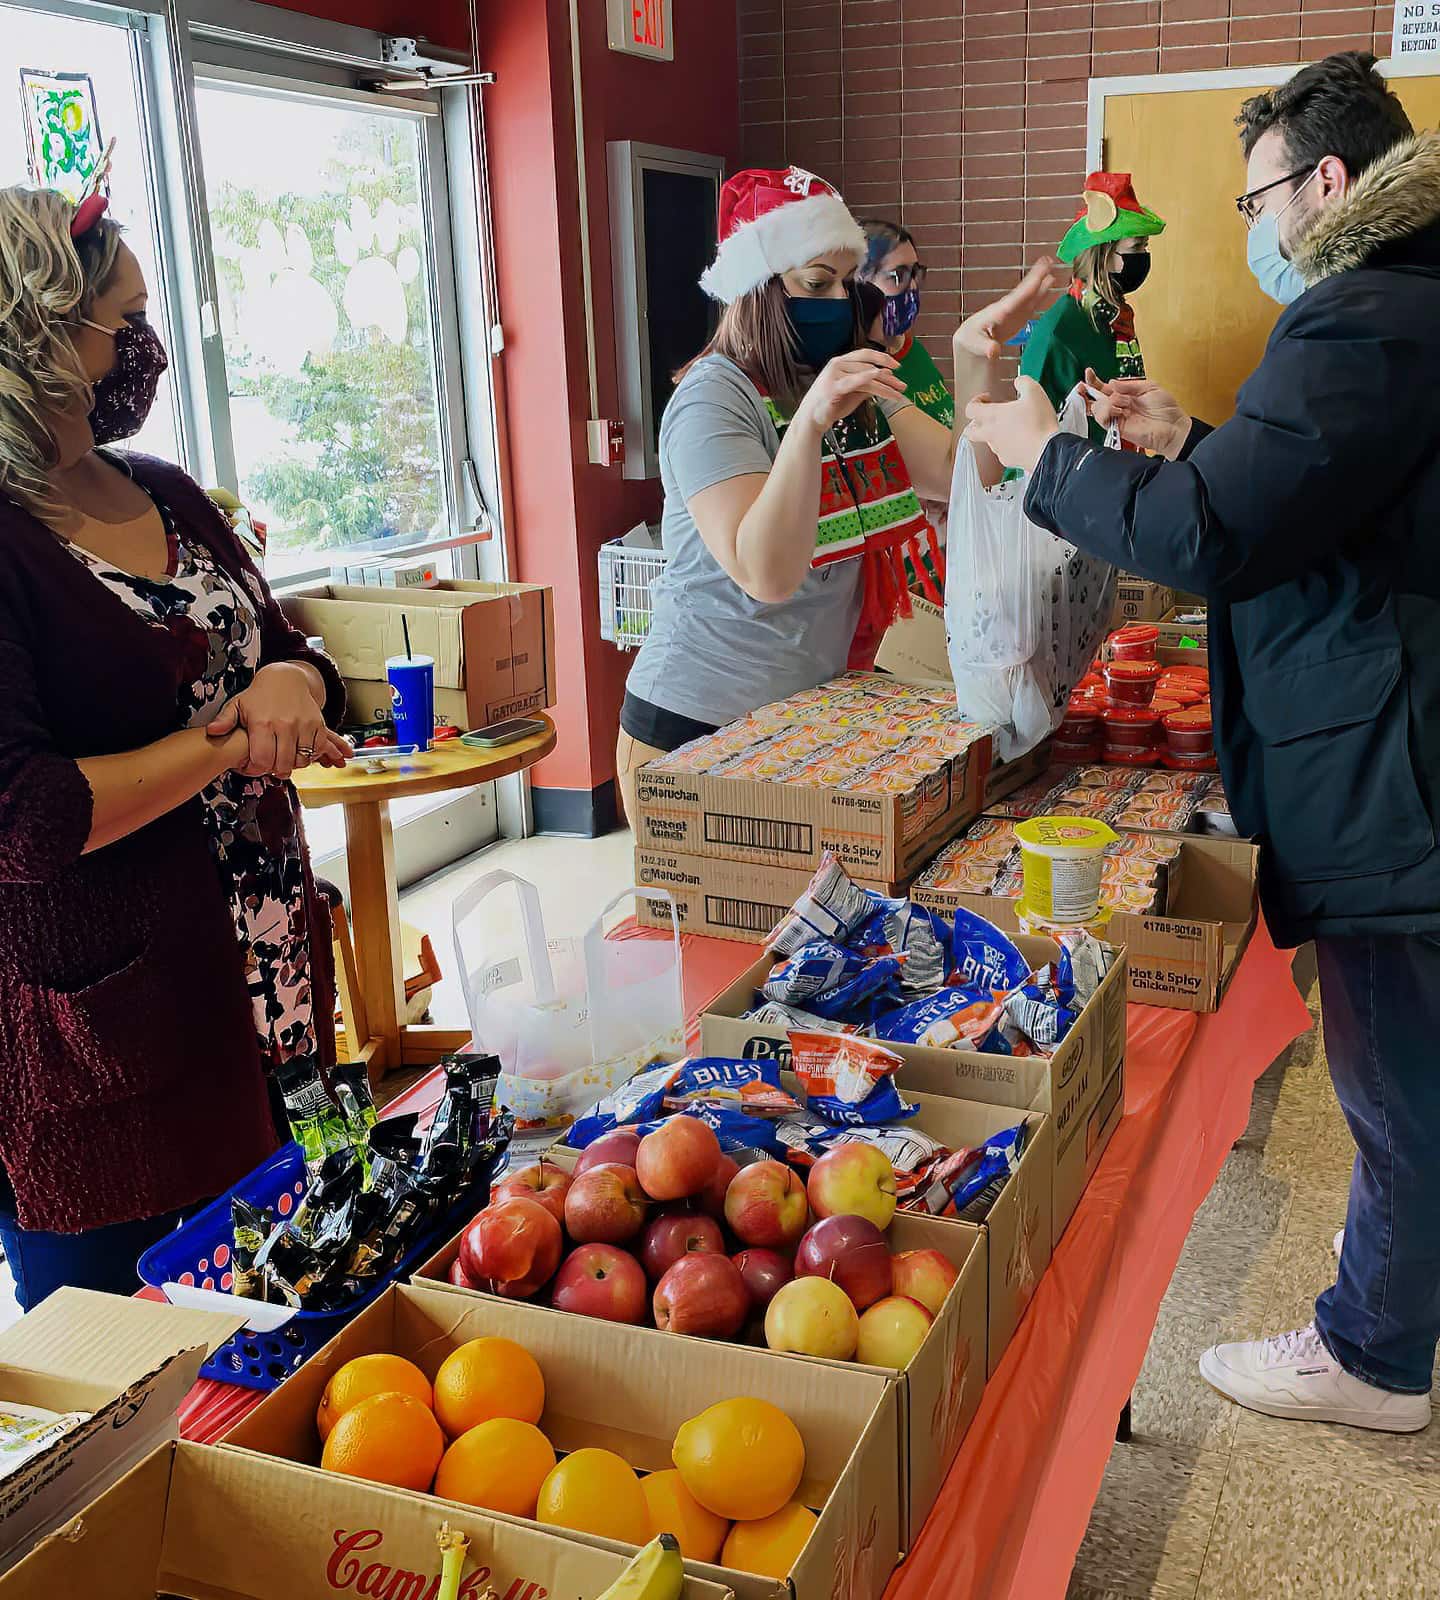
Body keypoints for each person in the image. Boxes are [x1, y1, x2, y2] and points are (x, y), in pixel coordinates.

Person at [964, 51, 1440, 1432]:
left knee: (1396, 1070)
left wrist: (1044, 452)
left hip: (1391, 773)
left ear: (1329, 184)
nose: (1254, 229)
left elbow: (1222, 536)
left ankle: (1375, 1358)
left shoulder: (1365, 316)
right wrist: (1199, 441)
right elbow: (1319, 494)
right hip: (1401, 735)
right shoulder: (1405, 309)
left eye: (1258, 200)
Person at [0, 186, 352, 1309]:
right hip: (110, 1032)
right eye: (123, 319)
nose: (143, 348)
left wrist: (293, 680)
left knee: (289, 1309)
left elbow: (291, 646)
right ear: (37, 336)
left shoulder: (163, 490)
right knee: (135, 1370)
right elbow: (24, 816)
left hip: (265, 979)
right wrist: (229, 742)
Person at [616, 167, 1061, 820]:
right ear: (756, 289)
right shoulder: (713, 398)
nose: (837, 304)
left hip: (806, 726)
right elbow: (765, 571)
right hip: (694, 726)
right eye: (815, 284)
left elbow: (966, 472)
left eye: (845, 285)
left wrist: (975, 356)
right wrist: (810, 423)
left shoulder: (844, 389)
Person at [1020, 172, 1165, 444]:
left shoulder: (1115, 320)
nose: (1143, 257)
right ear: (1104, 254)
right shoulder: (1060, 331)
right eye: (1137, 246)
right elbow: (1033, 433)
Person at [855, 220, 948, 614]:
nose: (911, 288)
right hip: (892, 573)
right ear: (858, 283)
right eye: (897, 276)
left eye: (916, 274)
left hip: (936, 556)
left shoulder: (914, 352)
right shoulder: (861, 372)